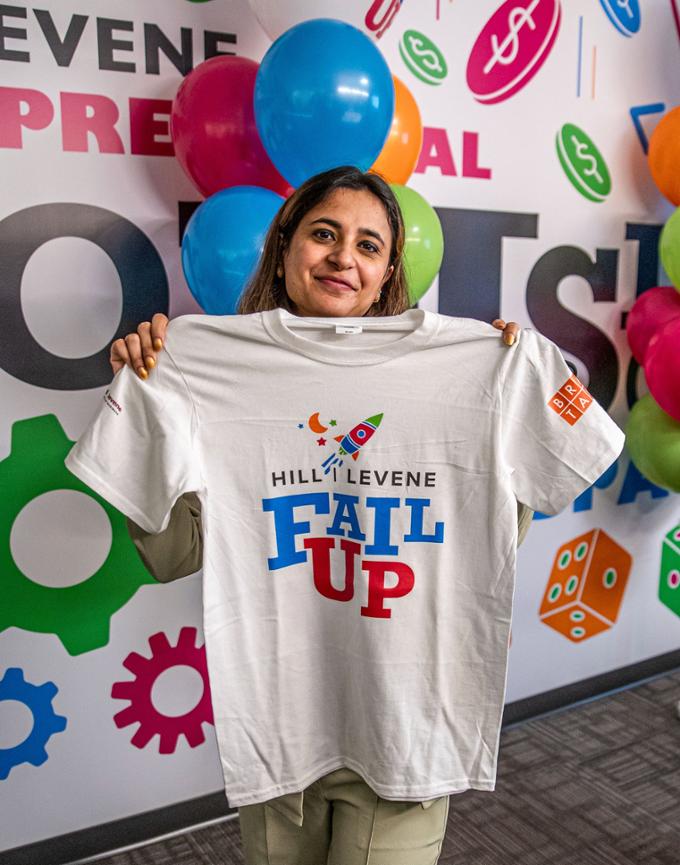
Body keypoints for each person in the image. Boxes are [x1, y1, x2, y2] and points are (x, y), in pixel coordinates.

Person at [65, 166, 624, 865]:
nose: (342, 258)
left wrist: (519, 399)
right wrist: (149, 401)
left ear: (390, 268)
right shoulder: (202, 365)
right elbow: (171, 553)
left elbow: (496, 532)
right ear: (285, 246)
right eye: (323, 233)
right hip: (281, 729)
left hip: (405, 728)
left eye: (367, 244)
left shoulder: (481, 366)